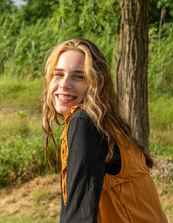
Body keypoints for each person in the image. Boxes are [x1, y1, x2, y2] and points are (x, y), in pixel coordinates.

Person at [41, 39, 168, 223]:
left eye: (79, 76)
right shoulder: (108, 124)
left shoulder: (84, 122)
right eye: (58, 74)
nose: (64, 84)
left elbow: (79, 216)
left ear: (96, 83)